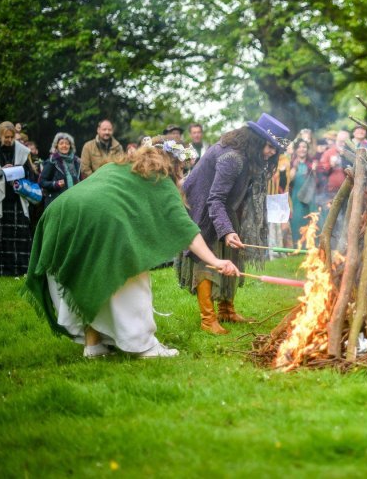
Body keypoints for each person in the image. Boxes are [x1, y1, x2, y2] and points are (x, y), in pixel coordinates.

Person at [23, 137, 239, 358]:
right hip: (99, 218)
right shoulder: (159, 179)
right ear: (172, 163)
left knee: (89, 277)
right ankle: (143, 345)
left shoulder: (120, 166)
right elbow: (186, 229)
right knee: (131, 274)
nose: (182, 175)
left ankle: (94, 344)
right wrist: (216, 261)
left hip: (60, 213)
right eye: (182, 169)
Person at [176, 113, 290, 335]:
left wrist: (231, 229)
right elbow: (214, 198)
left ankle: (226, 310)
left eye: (276, 149)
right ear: (255, 139)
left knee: (231, 255)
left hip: (223, 207)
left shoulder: (249, 156)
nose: (272, 152)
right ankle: (208, 320)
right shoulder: (233, 158)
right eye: (269, 146)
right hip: (202, 208)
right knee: (207, 259)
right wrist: (226, 230)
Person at [0, 121, 34, 276]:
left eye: (11, 137)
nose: (9, 140)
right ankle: (1, 269)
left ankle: (21, 269)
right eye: (6, 137)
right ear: (0, 135)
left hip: (16, 196)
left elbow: (28, 171)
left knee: (19, 234)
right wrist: (1, 171)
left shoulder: (21, 150)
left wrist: (16, 171)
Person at [39, 132, 82, 207]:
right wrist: (55, 184)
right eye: (61, 143)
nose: (64, 145)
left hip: (74, 201)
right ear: (56, 146)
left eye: (67, 143)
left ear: (70, 146)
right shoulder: (52, 161)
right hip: (56, 202)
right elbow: (41, 181)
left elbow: (80, 179)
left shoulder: (76, 161)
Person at [288, 138, 316, 244]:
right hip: (295, 197)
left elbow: (317, 182)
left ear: (307, 149)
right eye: (299, 147)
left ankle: (309, 244)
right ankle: (297, 245)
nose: (302, 149)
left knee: (309, 219)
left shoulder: (311, 163)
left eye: (304, 147)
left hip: (310, 197)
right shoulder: (291, 163)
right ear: (295, 150)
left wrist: (314, 170)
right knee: (296, 220)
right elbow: (289, 180)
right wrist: (294, 167)